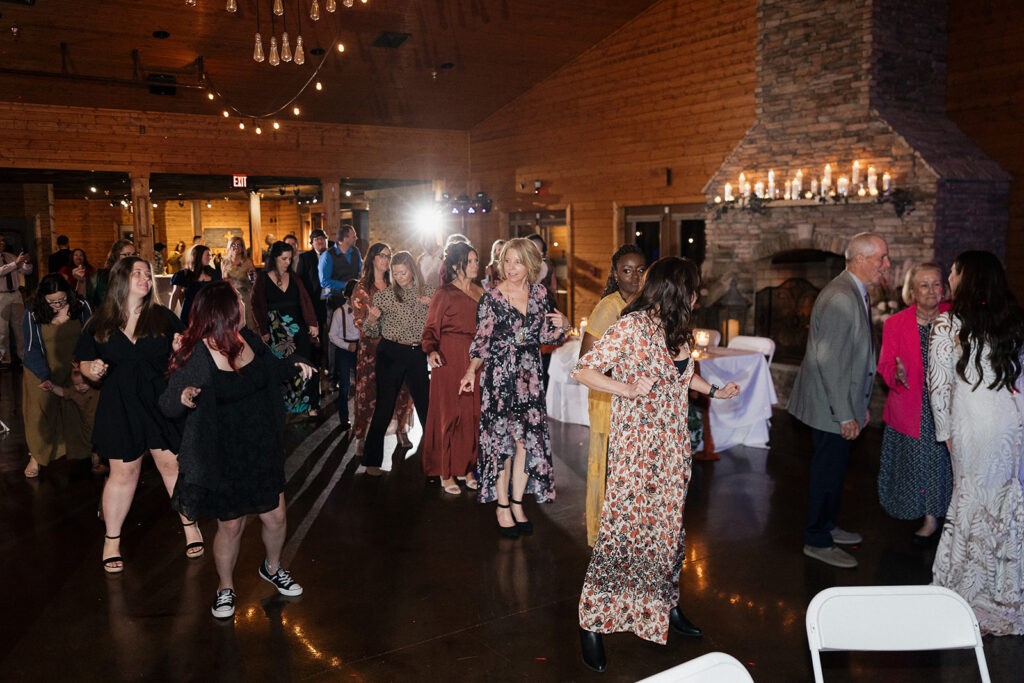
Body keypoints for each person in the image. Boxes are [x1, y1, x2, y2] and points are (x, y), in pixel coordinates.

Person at [572, 256, 739, 672]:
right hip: (636, 455)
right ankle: (592, 620)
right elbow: (584, 370)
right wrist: (626, 387)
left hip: (672, 452)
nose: (698, 296)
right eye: (693, 288)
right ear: (676, 290)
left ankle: (663, 606)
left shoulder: (677, 332)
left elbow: (682, 375)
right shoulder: (631, 327)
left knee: (665, 535)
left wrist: (714, 390)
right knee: (621, 535)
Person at [161, 281, 313, 619]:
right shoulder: (197, 353)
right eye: (238, 303)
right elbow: (168, 403)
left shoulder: (249, 341)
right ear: (222, 314)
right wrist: (184, 395)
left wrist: (295, 366)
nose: (244, 306)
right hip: (224, 453)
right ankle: (225, 587)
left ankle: (272, 568)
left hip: (260, 445)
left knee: (275, 516)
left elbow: (270, 369)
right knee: (231, 527)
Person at [75, 257, 201, 573]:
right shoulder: (100, 321)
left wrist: (179, 350)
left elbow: (187, 352)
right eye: (138, 273)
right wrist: (93, 370)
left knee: (171, 464)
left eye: (148, 273)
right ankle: (112, 541)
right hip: (120, 404)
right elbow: (85, 367)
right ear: (120, 279)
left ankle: (190, 527)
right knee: (124, 473)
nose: (146, 278)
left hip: (159, 400)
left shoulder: (162, 317)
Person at [929, 250, 1024, 636]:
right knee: (1003, 498)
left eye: (953, 271)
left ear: (966, 278)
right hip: (1008, 421)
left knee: (969, 496)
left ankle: (966, 590)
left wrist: (944, 432)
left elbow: (939, 388)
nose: (949, 277)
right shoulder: (1011, 321)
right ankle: (1003, 590)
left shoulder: (946, 323)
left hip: (970, 422)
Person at [788, 232, 890, 569]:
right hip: (830, 406)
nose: (886, 265)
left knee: (834, 471)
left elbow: (851, 358)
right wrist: (845, 414)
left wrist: (859, 406)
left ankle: (828, 526)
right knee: (827, 471)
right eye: (881, 258)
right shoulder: (842, 297)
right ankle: (816, 539)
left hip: (841, 402)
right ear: (860, 259)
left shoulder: (854, 291)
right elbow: (829, 362)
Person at [460, 238, 569, 536]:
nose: (510, 267)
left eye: (517, 262)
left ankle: (519, 502)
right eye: (507, 261)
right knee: (503, 446)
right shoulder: (491, 298)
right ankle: (503, 504)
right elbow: (481, 342)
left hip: (530, 378)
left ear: (530, 264)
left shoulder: (540, 294)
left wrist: (564, 323)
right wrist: (471, 371)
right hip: (499, 379)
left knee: (525, 443)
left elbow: (548, 337)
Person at [876, 263, 952, 545]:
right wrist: (895, 373)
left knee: (941, 462)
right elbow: (884, 364)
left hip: (947, 404)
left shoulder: (954, 318)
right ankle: (920, 511)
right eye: (924, 285)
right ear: (912, 291)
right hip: (911, 404)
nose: (932, 290)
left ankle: (936, 516)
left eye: (936, 284)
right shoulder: (895, 323)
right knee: (917, 462)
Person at [579, 244, 646, 546]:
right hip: (609, 398)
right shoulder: (609, 306)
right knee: (610, 465)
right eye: (627, 271)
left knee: (632, 468)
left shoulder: (648, 304)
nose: (634, 276)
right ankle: (605, 532)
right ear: (616, 275)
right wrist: (621, 379)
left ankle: (629, 527)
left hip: (637, 401)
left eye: (640, 270)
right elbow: (585, 361)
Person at [361, 251, 434, 476]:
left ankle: (436, 457)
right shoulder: (384, 296)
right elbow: (370, 331)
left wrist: (432, 306)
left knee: (425, 404)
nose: (400, 277)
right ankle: (372, 461)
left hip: (415, 353)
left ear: (412, 270)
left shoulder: (428, 293)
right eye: (395, 273)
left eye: (403, 272)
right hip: (390, 352)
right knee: (384, 405)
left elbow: (439, 323)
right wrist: (371, 319)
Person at [422, 242, 484, 494]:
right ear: (457, 265)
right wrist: (431, 350)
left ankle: (467, 468)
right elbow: (430, 327)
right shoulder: (444, 293)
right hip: (448, 357)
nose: (475, 265)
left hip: (475, 359)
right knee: (449, 413)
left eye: (476, 260)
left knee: (471, 413)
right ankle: (445, 471)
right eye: (470, 261)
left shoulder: (482, 293)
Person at [20, 274, 94, 478]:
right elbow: (31, 348)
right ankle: (37, 455)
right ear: (42, 297)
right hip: (40, 366)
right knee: (40, 411)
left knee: (83, 406)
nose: (57, 305)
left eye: (61, 300)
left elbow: (90, 337)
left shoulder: (81, 305)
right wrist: (44, 376)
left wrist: (84, 368)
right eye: (52, 301)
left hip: (74, 365)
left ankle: (91, 451)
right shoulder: (32, 312)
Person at [350, 243, 415, 452]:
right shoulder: (362, 288)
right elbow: (360, 322)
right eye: (382, 256)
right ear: (372, 259)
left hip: (397, 346)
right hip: (372, 350)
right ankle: (361, 435)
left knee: (401, 389)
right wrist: (371, 320)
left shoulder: (395, 285)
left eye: (389, 256)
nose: (386, 260)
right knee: (368, 393)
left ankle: (401, 429)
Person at [252, 241, 320, 416]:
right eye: (284, 259)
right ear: (274, 259)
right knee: (284, 368)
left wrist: (312, 323)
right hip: (277, 331)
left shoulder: (295, 277)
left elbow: (305, 300)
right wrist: (263, 330)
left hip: (298, 328)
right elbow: (257, 305)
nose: (287, 262)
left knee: (307, 364)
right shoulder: (262, 278)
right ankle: (286, 405)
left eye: (290, 259)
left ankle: (310, 405)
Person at [527, 233, 559, 390]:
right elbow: (554, 287)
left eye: (538, 248)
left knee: (542, 356)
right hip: (536, 315)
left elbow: (546, 286)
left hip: (543, 316)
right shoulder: (530, 265)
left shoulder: (542, 264)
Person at [327, 279, 360, 431]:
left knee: (362, 384)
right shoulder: (339, 312)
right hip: (344, 349)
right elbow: (332, 336)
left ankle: (360, 415)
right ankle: (344, 417)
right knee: (345, 385)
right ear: (348, 295)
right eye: (356, 294)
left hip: (360, 347)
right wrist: (347, 346)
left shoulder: (363, 310)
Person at [0, 235, 34, 365]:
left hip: (16, 294)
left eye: (3, 240)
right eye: (0, 241)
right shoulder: (13, 260)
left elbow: (27, 272)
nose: (2, 243)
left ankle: (23, 357)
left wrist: (26, 263)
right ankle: (4, 360)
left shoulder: (11, 256)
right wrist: (15, 263)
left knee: (21, 328)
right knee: (1, 332)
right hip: (1, 296)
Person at [169, 244, 221, 325]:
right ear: (198, 256)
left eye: (210, 255)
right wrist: (170, 314)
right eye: (207, 255)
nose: (210, 258)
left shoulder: (213, 273)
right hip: (189, 312)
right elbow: (175, 295)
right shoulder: (184, 274)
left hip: (208, 314)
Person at [318, 224, 362, 310]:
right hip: (335, 300)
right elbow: (324, 281)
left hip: (354, 298)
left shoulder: (356, 251)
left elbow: (360, 272)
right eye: (354, 236)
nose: (356, 238)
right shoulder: (327, 255)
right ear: (345, 239)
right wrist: (346, 285)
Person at [220, 236, 258, 332]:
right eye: (233, 244)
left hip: (245, 296)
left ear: (242, 248)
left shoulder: (248, 261)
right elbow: (223, 280)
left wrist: (253, 277)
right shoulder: (224, 262)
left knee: (248, 322)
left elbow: (254, 279)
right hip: (230, 296)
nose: (236, 247)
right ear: (229, 246)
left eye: (239, 245)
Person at [88, 239, 135, 310]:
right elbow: (87, 300)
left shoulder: (136, 276)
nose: (132, 258)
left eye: (134, 254)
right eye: (127, 254)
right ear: (116, 255)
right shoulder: (100, 275)